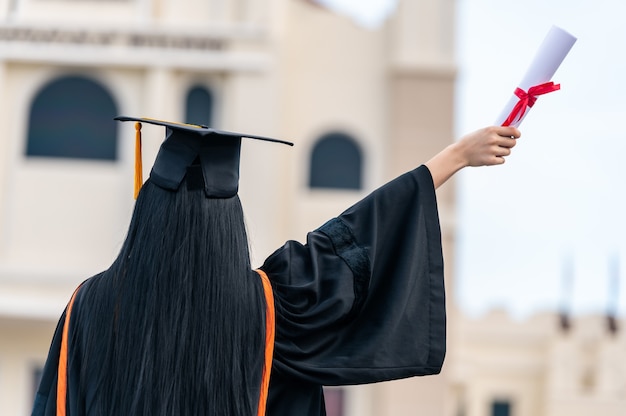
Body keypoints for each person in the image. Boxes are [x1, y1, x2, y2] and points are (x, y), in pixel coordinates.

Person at [31, 117, 520, 416]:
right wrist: (454, 157)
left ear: (147, 211)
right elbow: (353, 239)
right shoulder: (270, 305)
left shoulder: (88, 305)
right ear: (230, 219)